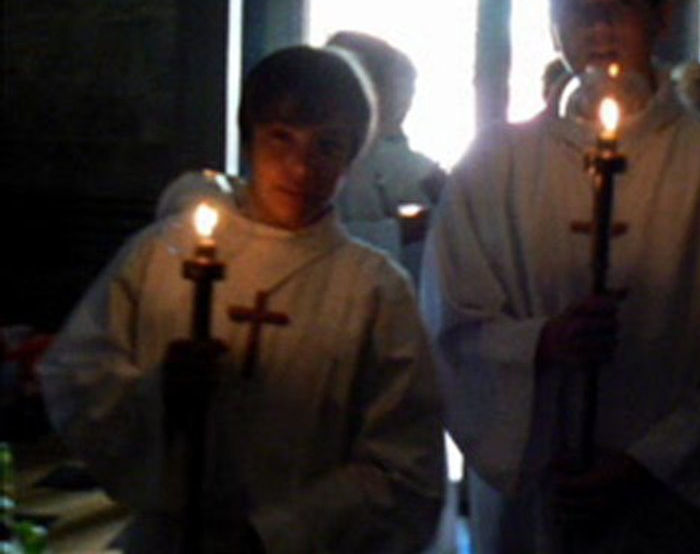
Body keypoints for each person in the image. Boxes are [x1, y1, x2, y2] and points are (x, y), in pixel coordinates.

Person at [420, 0, 700, 553]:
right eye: (575, 9)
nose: (598, 26)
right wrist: (540, 343)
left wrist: (640, 465)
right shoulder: (491, 164)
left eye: (619, 4)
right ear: (554, 27)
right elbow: (451, 319)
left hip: (673, 496)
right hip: (542, 486)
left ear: (661, 18)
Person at [39, 46, 446, 554]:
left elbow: (406, 467)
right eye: (281, 137)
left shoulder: (374, 290)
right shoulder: (161, 254)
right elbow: (77, 379)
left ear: (353, 157)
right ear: (249, 134)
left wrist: (277, 532)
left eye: (328, 146)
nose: (300, 168)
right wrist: (158, 393)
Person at [327, 31, 446, 283]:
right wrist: (399, 231)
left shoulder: (411, 165)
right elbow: (313, 240)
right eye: (399, 90)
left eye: (410, 93)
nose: (405, 104)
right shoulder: (325, 160)